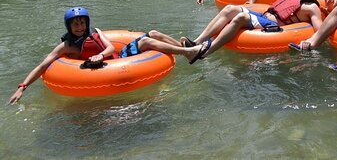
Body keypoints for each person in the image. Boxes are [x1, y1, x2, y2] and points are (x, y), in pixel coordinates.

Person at [8, 7, 205, 104]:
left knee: (152, 33)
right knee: (146, 42)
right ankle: (188, 53)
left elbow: (111, 49)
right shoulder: (66, 46)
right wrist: (22, 87)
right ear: (69, 26)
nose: (80, 27)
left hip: (116, 59)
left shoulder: (96, 33)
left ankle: (184, 48)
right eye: (75, 24)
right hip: (101, 73)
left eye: (82, 23)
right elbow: (43, 65)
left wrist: (100, 55)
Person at [184, 0, 324, 62]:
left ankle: (204, 52)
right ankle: (197, 42)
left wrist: (309, 43)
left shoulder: (311, 7)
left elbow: (320, 31)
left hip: (273, 25)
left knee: (241, 17)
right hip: (263, 16)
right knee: (229, 9)